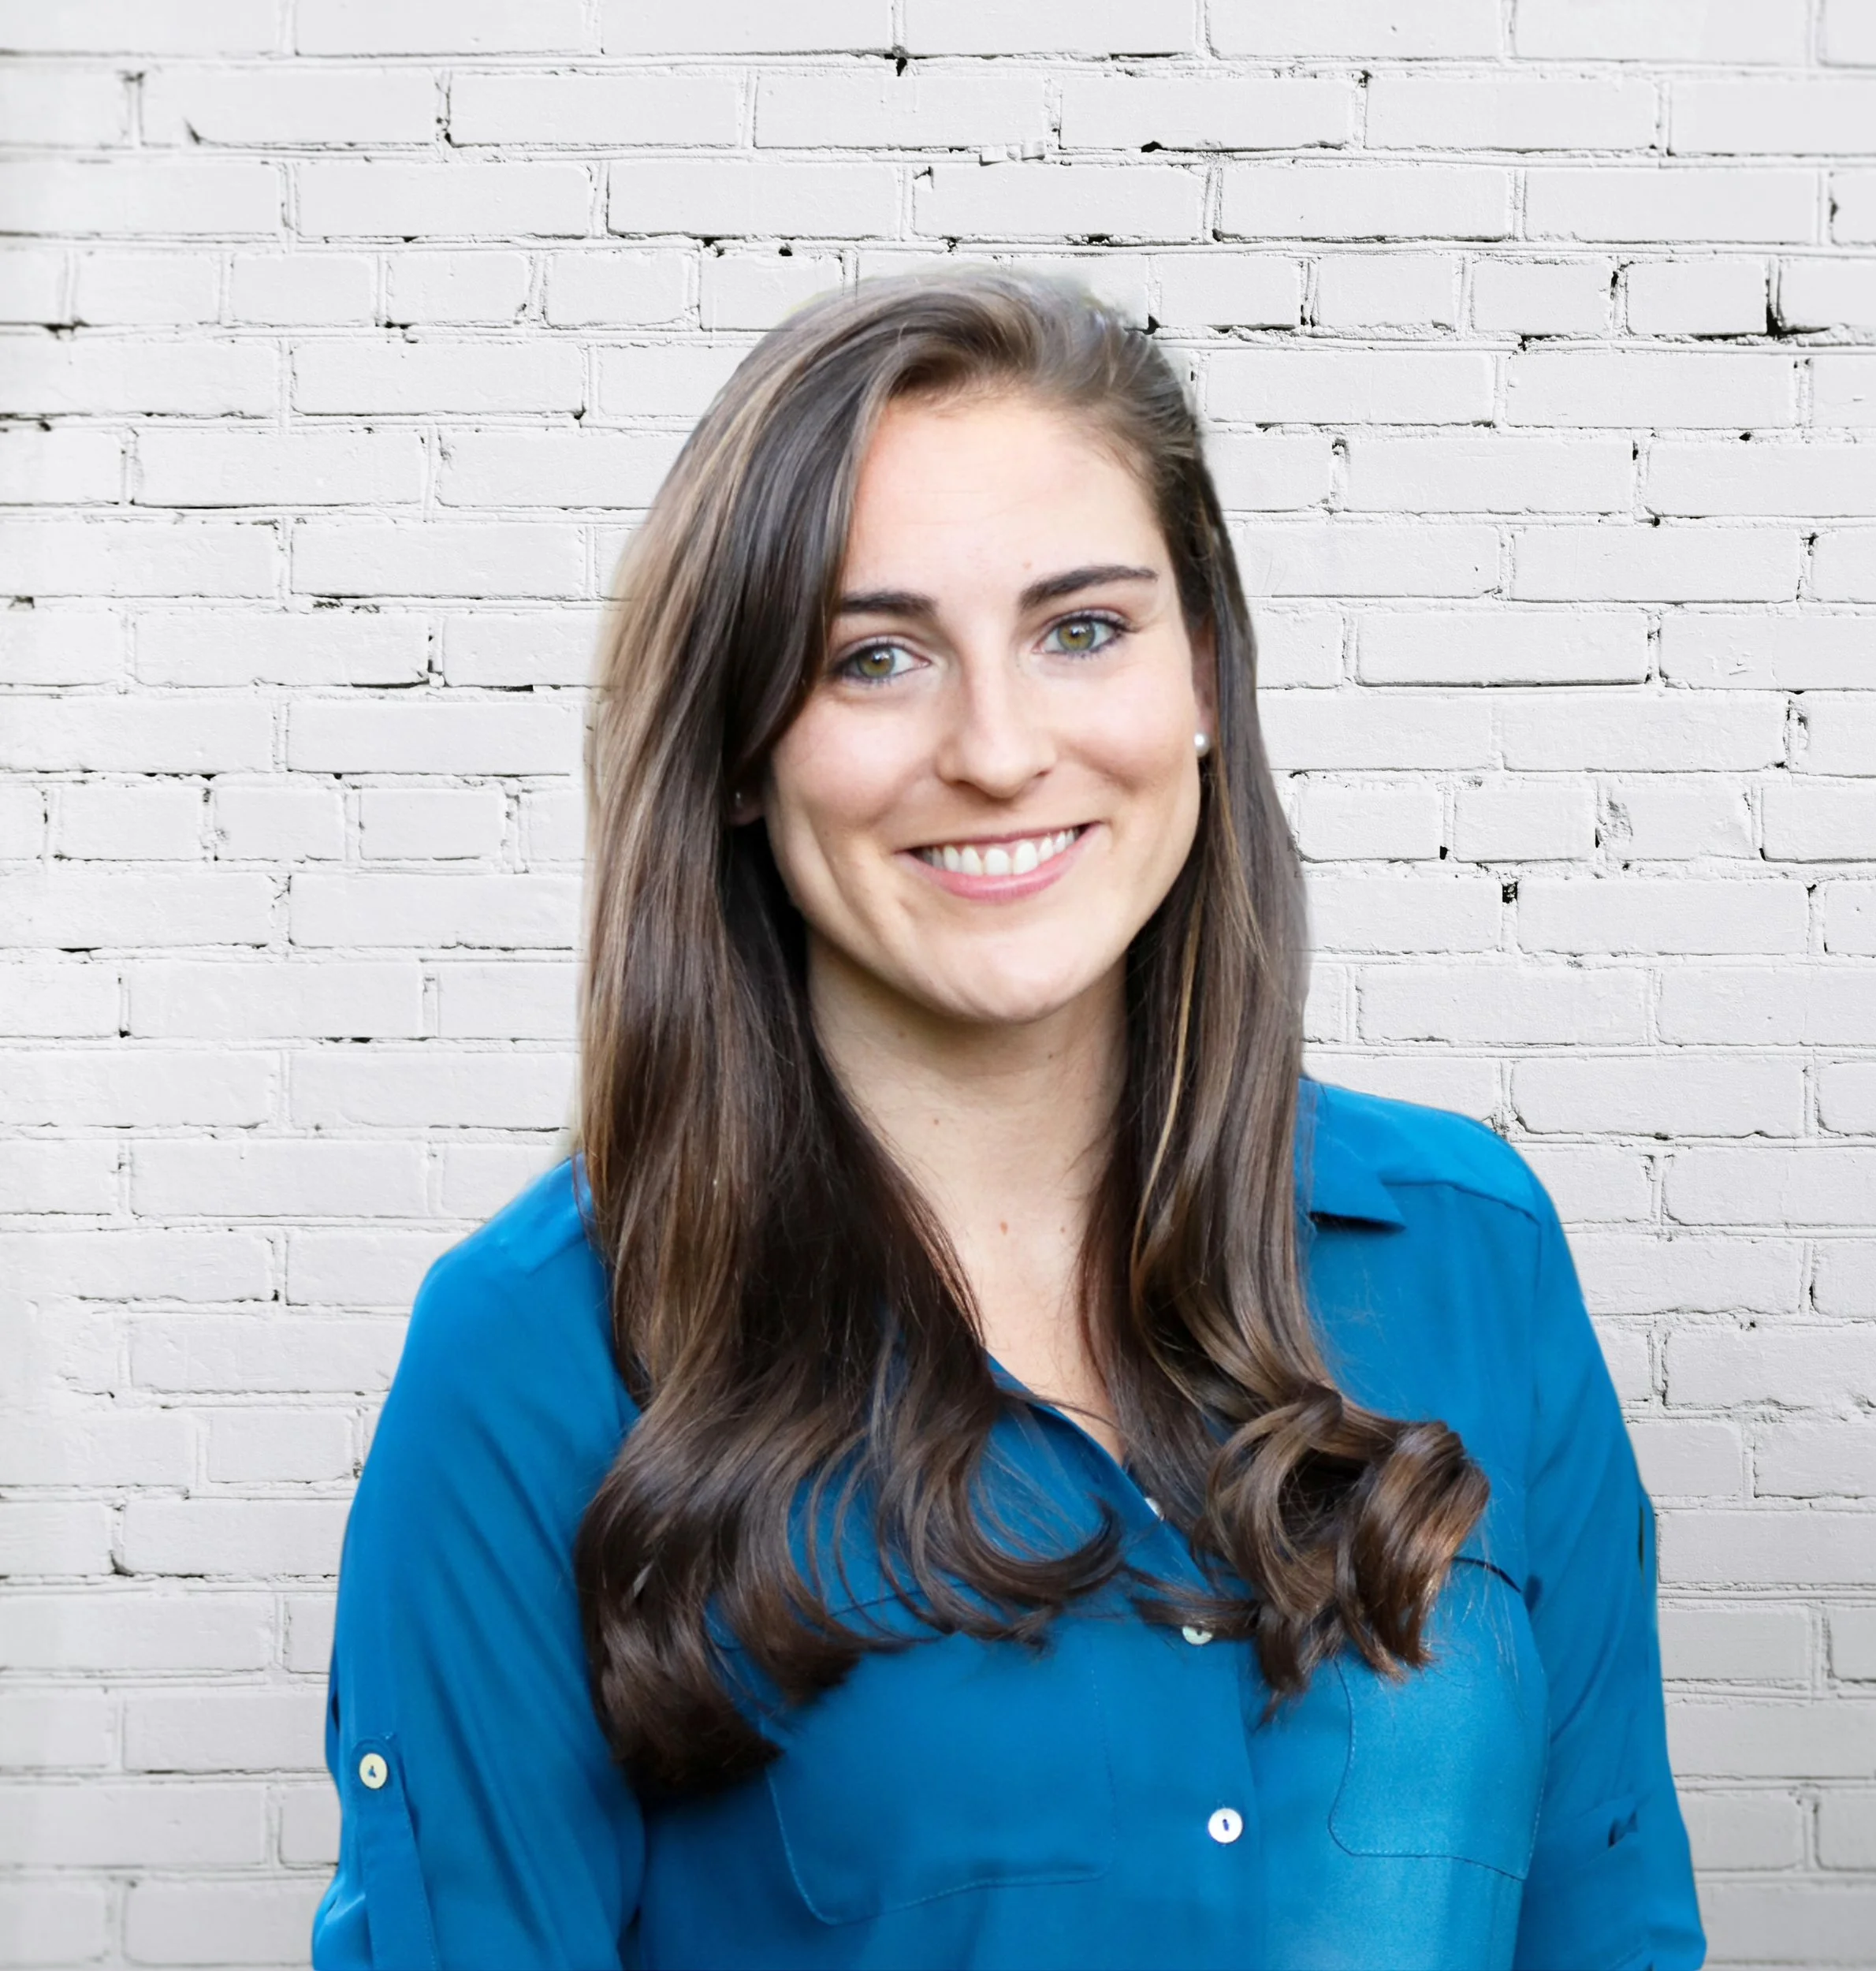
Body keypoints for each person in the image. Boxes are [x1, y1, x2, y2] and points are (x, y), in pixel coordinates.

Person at [313, 270, 1703, 1971]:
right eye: (873, 656)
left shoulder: (1474, 1253)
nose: (994, 747)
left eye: (1082, 629)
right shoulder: (531, 1356)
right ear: (743, 747)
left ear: (1201, 674)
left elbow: (1608, 1929)